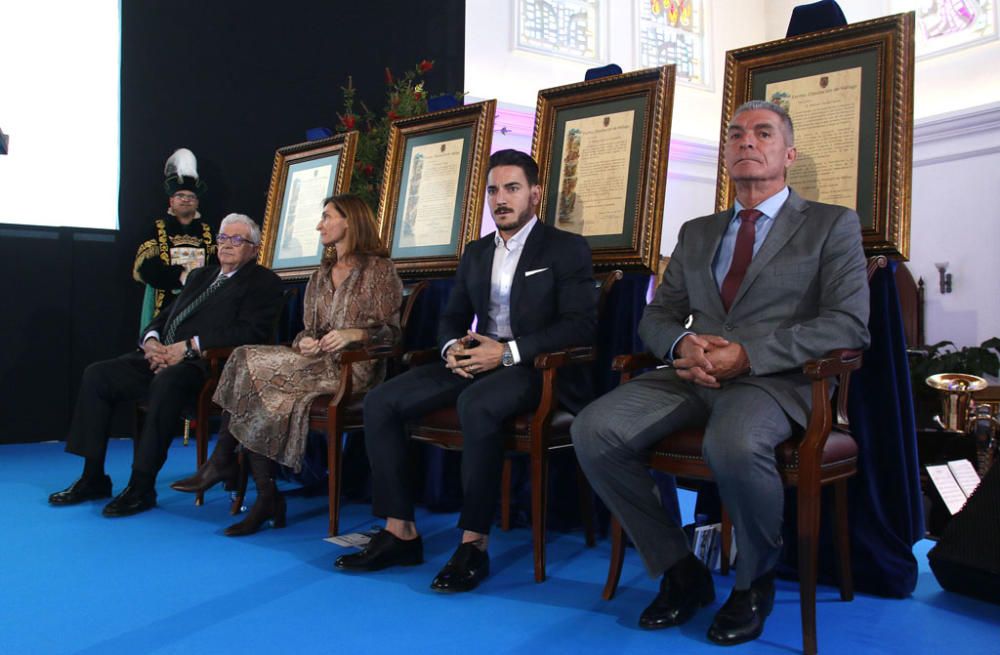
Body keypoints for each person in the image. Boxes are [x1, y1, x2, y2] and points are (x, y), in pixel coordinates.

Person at [570, 100, 871, 646]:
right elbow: (658, 314)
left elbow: (848, 325)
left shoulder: (832, 224)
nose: (746, 142)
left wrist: (748, 353)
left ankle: (754, 581)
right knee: (593, 428)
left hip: (776, 380)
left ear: (789, 153)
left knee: (731, 443)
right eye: (735, 135)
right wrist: (682, 341)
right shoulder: (699, 230)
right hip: (692, 375)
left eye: (762, 133)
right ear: (726, 155)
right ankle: (681, 570)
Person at [334, 149, 598, 593]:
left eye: (512, 188)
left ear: (535, 194)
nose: (501, 198)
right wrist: (453, 346)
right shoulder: (476, 252)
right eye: (493, 190)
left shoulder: (565, 248)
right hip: (477, 360)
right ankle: (400, 532)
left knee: (476, 404)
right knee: (382, 400)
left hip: (535, 368)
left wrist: (508, 352)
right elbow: (450, 317)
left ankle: (473, 543)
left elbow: (579, 326)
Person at [171, 195, 403, 537]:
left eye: (326, 217)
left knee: (254, 376)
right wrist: (305, 341)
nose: (319, 225)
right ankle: (263, 492)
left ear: (350, 221)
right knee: (246, 360)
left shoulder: (379, 270)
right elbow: (308, 330)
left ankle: (229, 467)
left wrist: (353, 334)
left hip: (354, 369)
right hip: (314, 361)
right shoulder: (321, 273)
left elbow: (392, 335)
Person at [49, 214, 283, 518]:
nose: (227, 244)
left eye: (237, 240)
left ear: (254, 248)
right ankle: (93, 476)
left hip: (206, 368)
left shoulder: (263, 282)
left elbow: (250, 332)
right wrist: (151, 341)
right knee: (98, 375)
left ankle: (141, 485)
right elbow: (165, 316)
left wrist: (187, 348)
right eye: (223, 238)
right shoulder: (201, 276)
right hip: (159, 358)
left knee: (168, 381)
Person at [133, 148, 215, 325]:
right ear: (171, 200)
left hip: (200, 307)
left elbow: (217, 267)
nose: (186, 199)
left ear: (197, 201)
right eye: (180, 195)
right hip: (164, 309)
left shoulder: (209, 232)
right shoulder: (157, 228)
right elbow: (145, 268)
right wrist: (178, 277)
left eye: (190, 196)